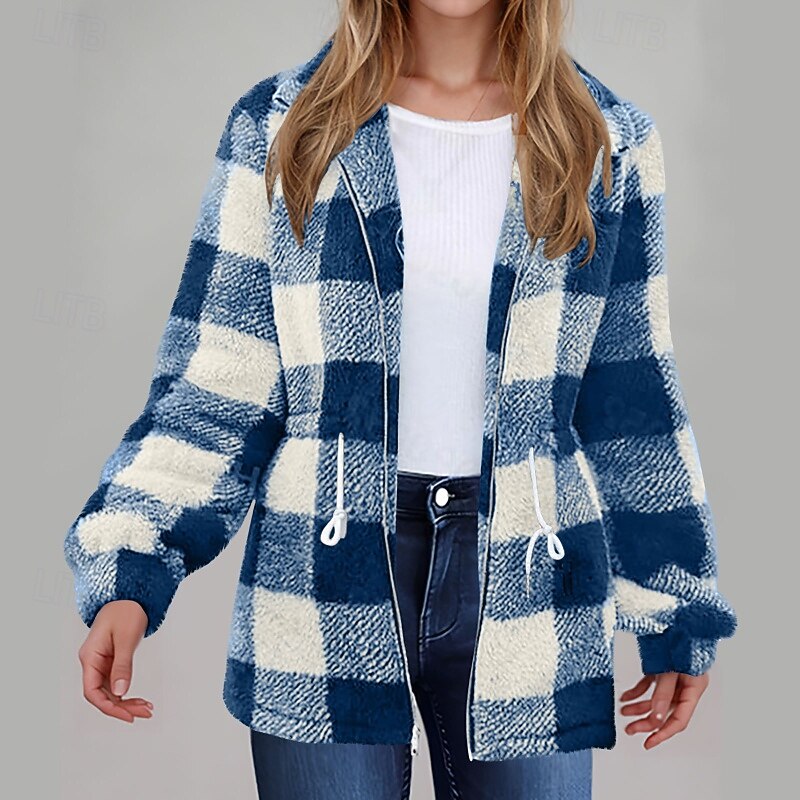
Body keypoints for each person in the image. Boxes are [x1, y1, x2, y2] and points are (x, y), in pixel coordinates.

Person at [63, 2, 738, 798]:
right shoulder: (283, 127)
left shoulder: (605, 140)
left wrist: (676, 604)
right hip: (322, 576)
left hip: (526, 573)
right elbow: (218, 386)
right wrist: (131, 567)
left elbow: (632, 397)